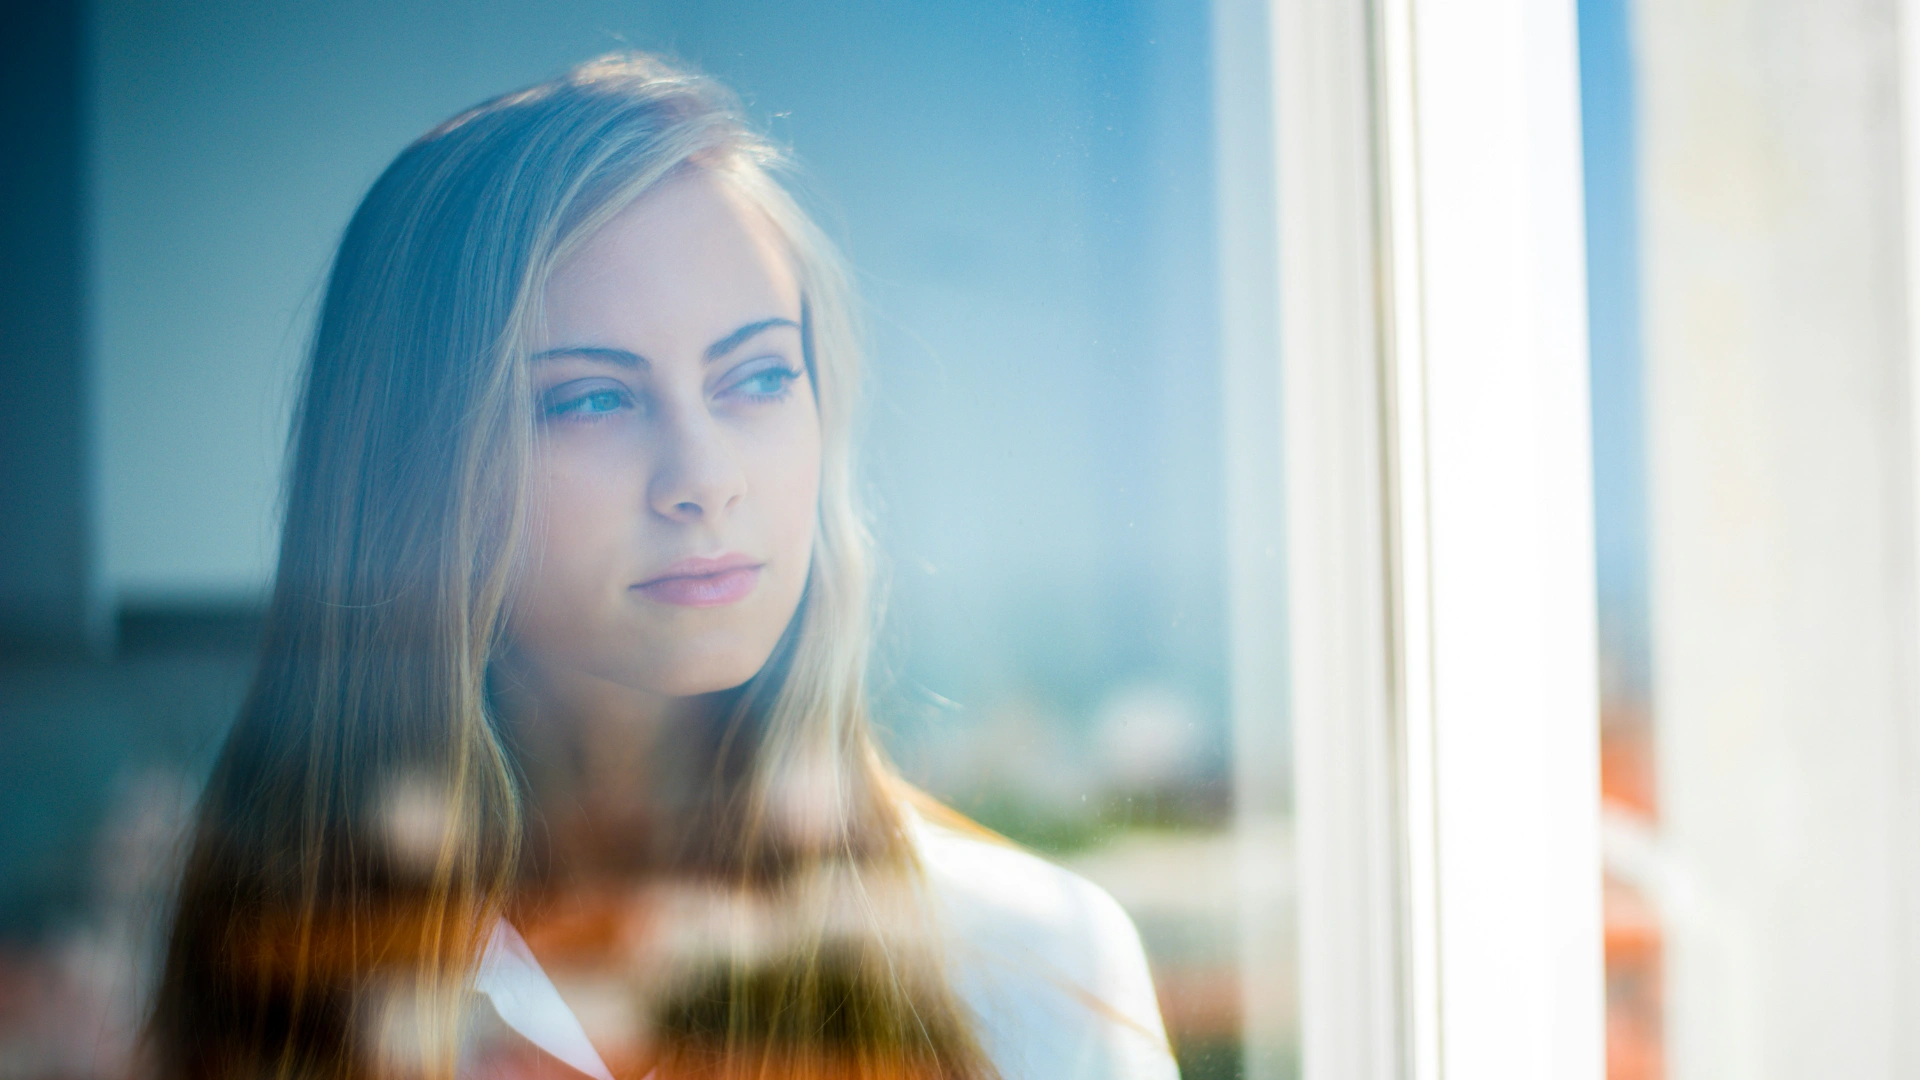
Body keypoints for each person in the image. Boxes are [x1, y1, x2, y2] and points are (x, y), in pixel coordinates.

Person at [144, 54, 1178, 1080]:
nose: (704, 478)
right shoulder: (255, 967)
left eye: (760, 375)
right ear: (416, 472)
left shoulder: (1033, 968)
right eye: (592, 398)